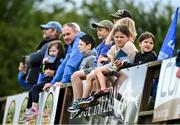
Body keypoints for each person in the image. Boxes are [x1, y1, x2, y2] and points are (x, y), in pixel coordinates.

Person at [19, 41, 64, 122]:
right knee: (31, 91)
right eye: (50, 51)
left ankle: (34, 110)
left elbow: (60, 71)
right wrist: (43, 64)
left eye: (54, 51)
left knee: (35, 88)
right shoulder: (48, 61)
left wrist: (53, 73)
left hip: (51, 81)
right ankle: (28, 111)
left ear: (59, 51)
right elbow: (42, 71)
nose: (51, 53)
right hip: (45, 79)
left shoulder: (59, 61)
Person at [18, 21, 62, 90]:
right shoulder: (47, 44)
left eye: (47, 29)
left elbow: (33, 59)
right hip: (36, 82)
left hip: (39, 83)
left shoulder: (52, 44)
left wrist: (25, 60)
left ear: (54, 31)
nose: (43, 31)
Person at [43, 23, 85, 90]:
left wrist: (63, 81)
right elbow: (64, 64)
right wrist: (53, 82)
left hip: (87, 79)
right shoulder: (71, 43)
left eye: (68, 34)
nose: (65, 37)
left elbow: (71, 63)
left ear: (76, 32)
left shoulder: (79, 40)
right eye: (64, 35)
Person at [67, 34, 96, 112]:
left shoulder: (92, 58)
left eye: (81, 44)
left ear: (89, 46)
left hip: (91, 84)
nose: (78, 47)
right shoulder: (84, 58)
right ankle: (76, 101)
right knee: (74, 76)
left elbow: (94, 70)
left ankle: (79, 101)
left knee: (75, 75)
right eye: (78, 44)